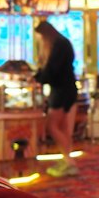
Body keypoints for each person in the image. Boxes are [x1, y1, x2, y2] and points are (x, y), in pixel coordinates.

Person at [34, 20, 79, 177]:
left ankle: (69, 161)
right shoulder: (63, 42)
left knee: (52, 126)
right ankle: (67, 160)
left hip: (61, 90)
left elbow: (52, 70)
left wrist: (37, 77)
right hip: (68, 88)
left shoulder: (58, 44)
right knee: (65, 128)